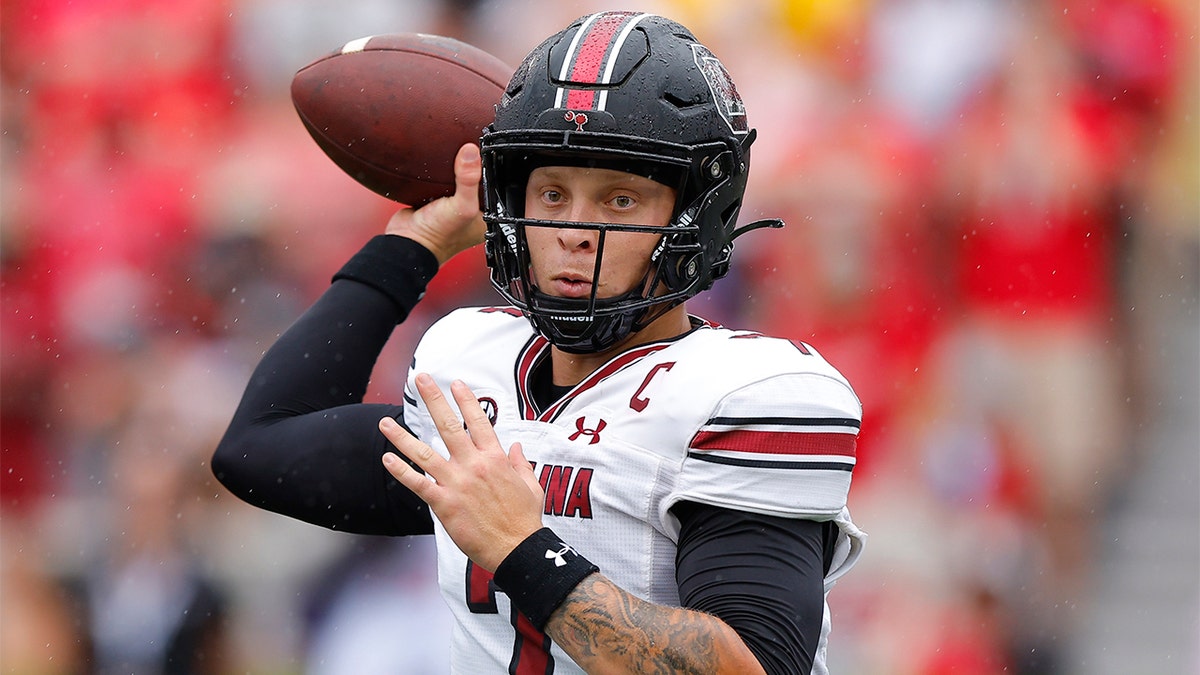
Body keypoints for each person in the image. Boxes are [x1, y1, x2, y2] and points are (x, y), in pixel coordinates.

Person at [212, 10, 865, 674]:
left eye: (619, 200)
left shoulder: (743, 393)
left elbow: (758, 667)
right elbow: (259, 448)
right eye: (552, 193)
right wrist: (413, 247)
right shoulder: (471, 366)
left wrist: (524, 547)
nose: (576, 229)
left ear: (696, 215)